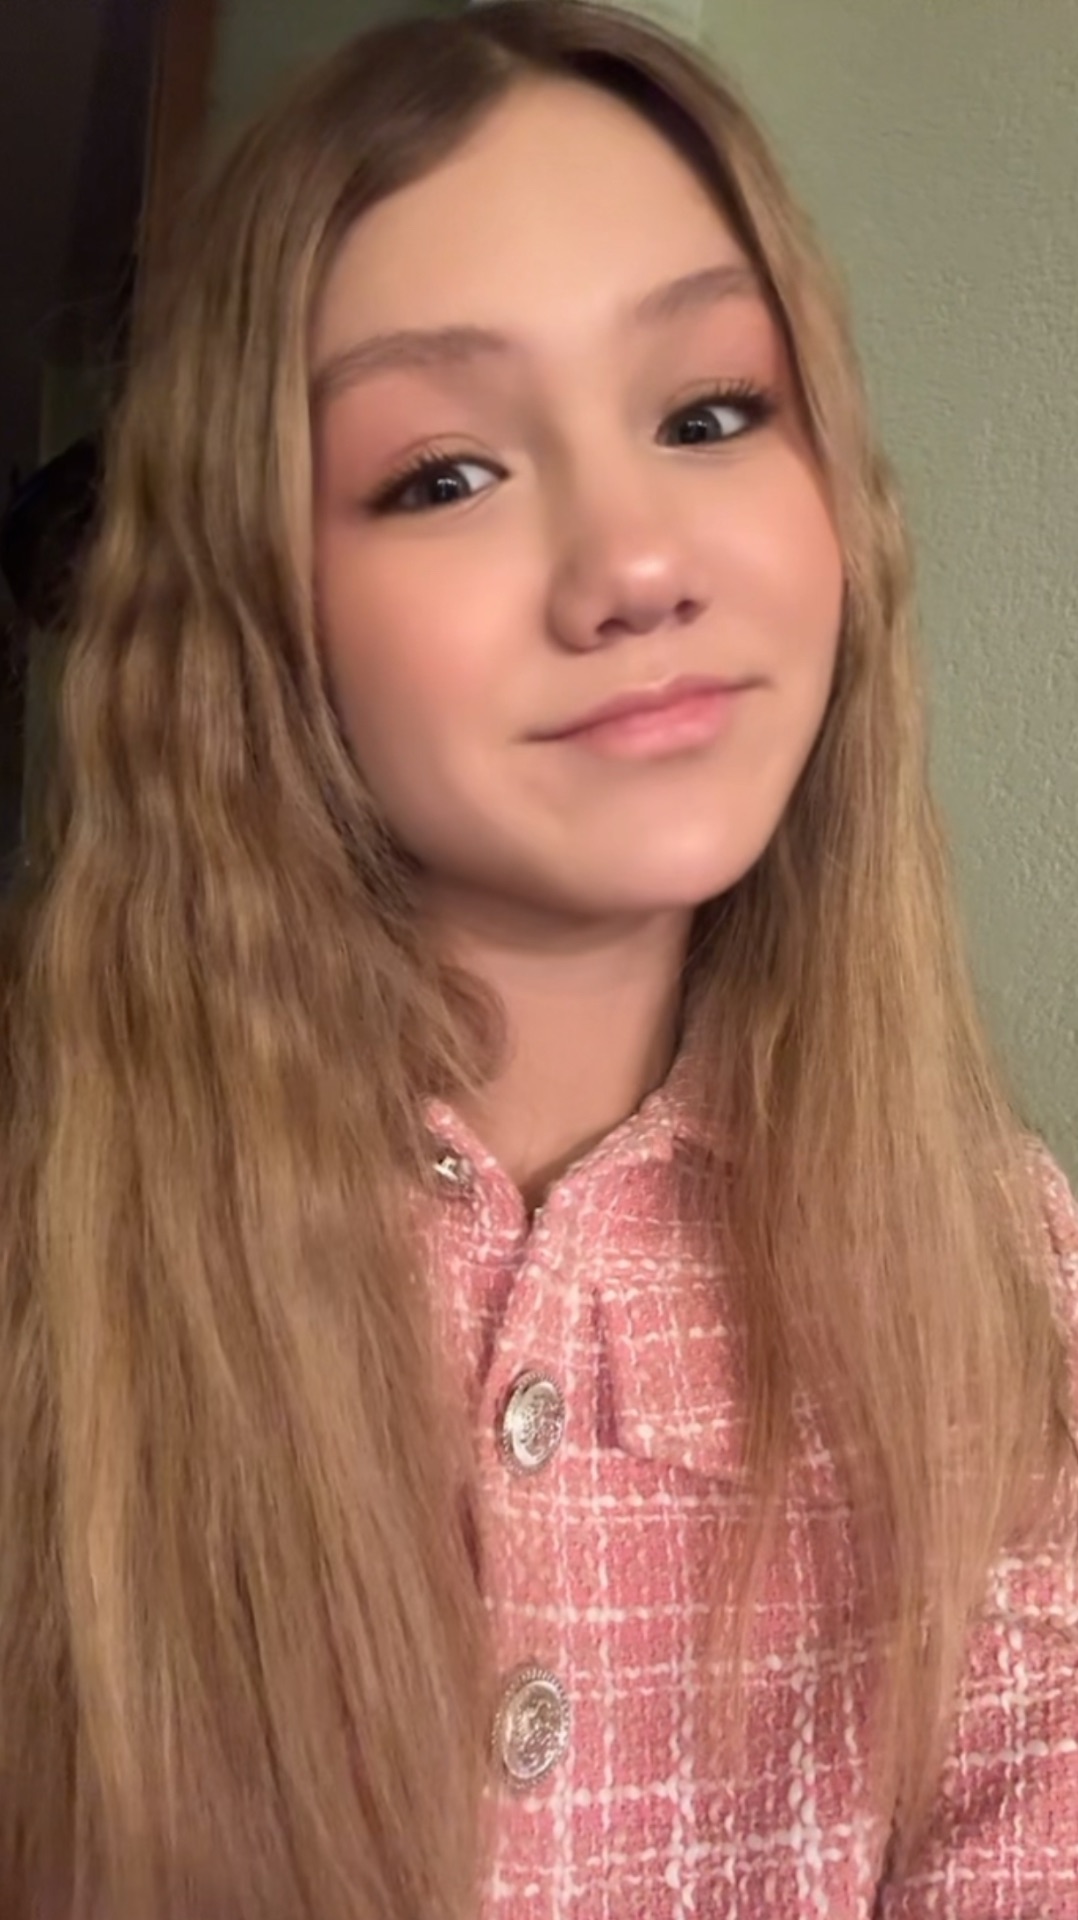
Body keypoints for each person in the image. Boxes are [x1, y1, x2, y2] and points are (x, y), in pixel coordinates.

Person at [0, 3, 1075, 1915]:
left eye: (708, 414)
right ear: (257, 612)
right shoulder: (48, 1233)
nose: (636, 566)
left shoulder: (1011, 1283)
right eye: (443, 473)